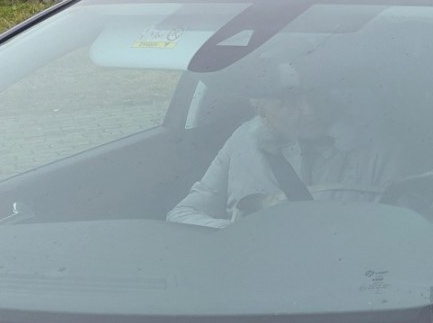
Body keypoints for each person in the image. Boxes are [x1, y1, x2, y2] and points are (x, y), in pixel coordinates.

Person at [169, 61, 400, 228]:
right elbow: (182, 214)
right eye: (288, 101)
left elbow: (403, 226)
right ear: (260, 109)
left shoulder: (375, 146)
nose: (309, 110)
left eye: (315, 95)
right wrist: (243, 235)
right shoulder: (243, 141)